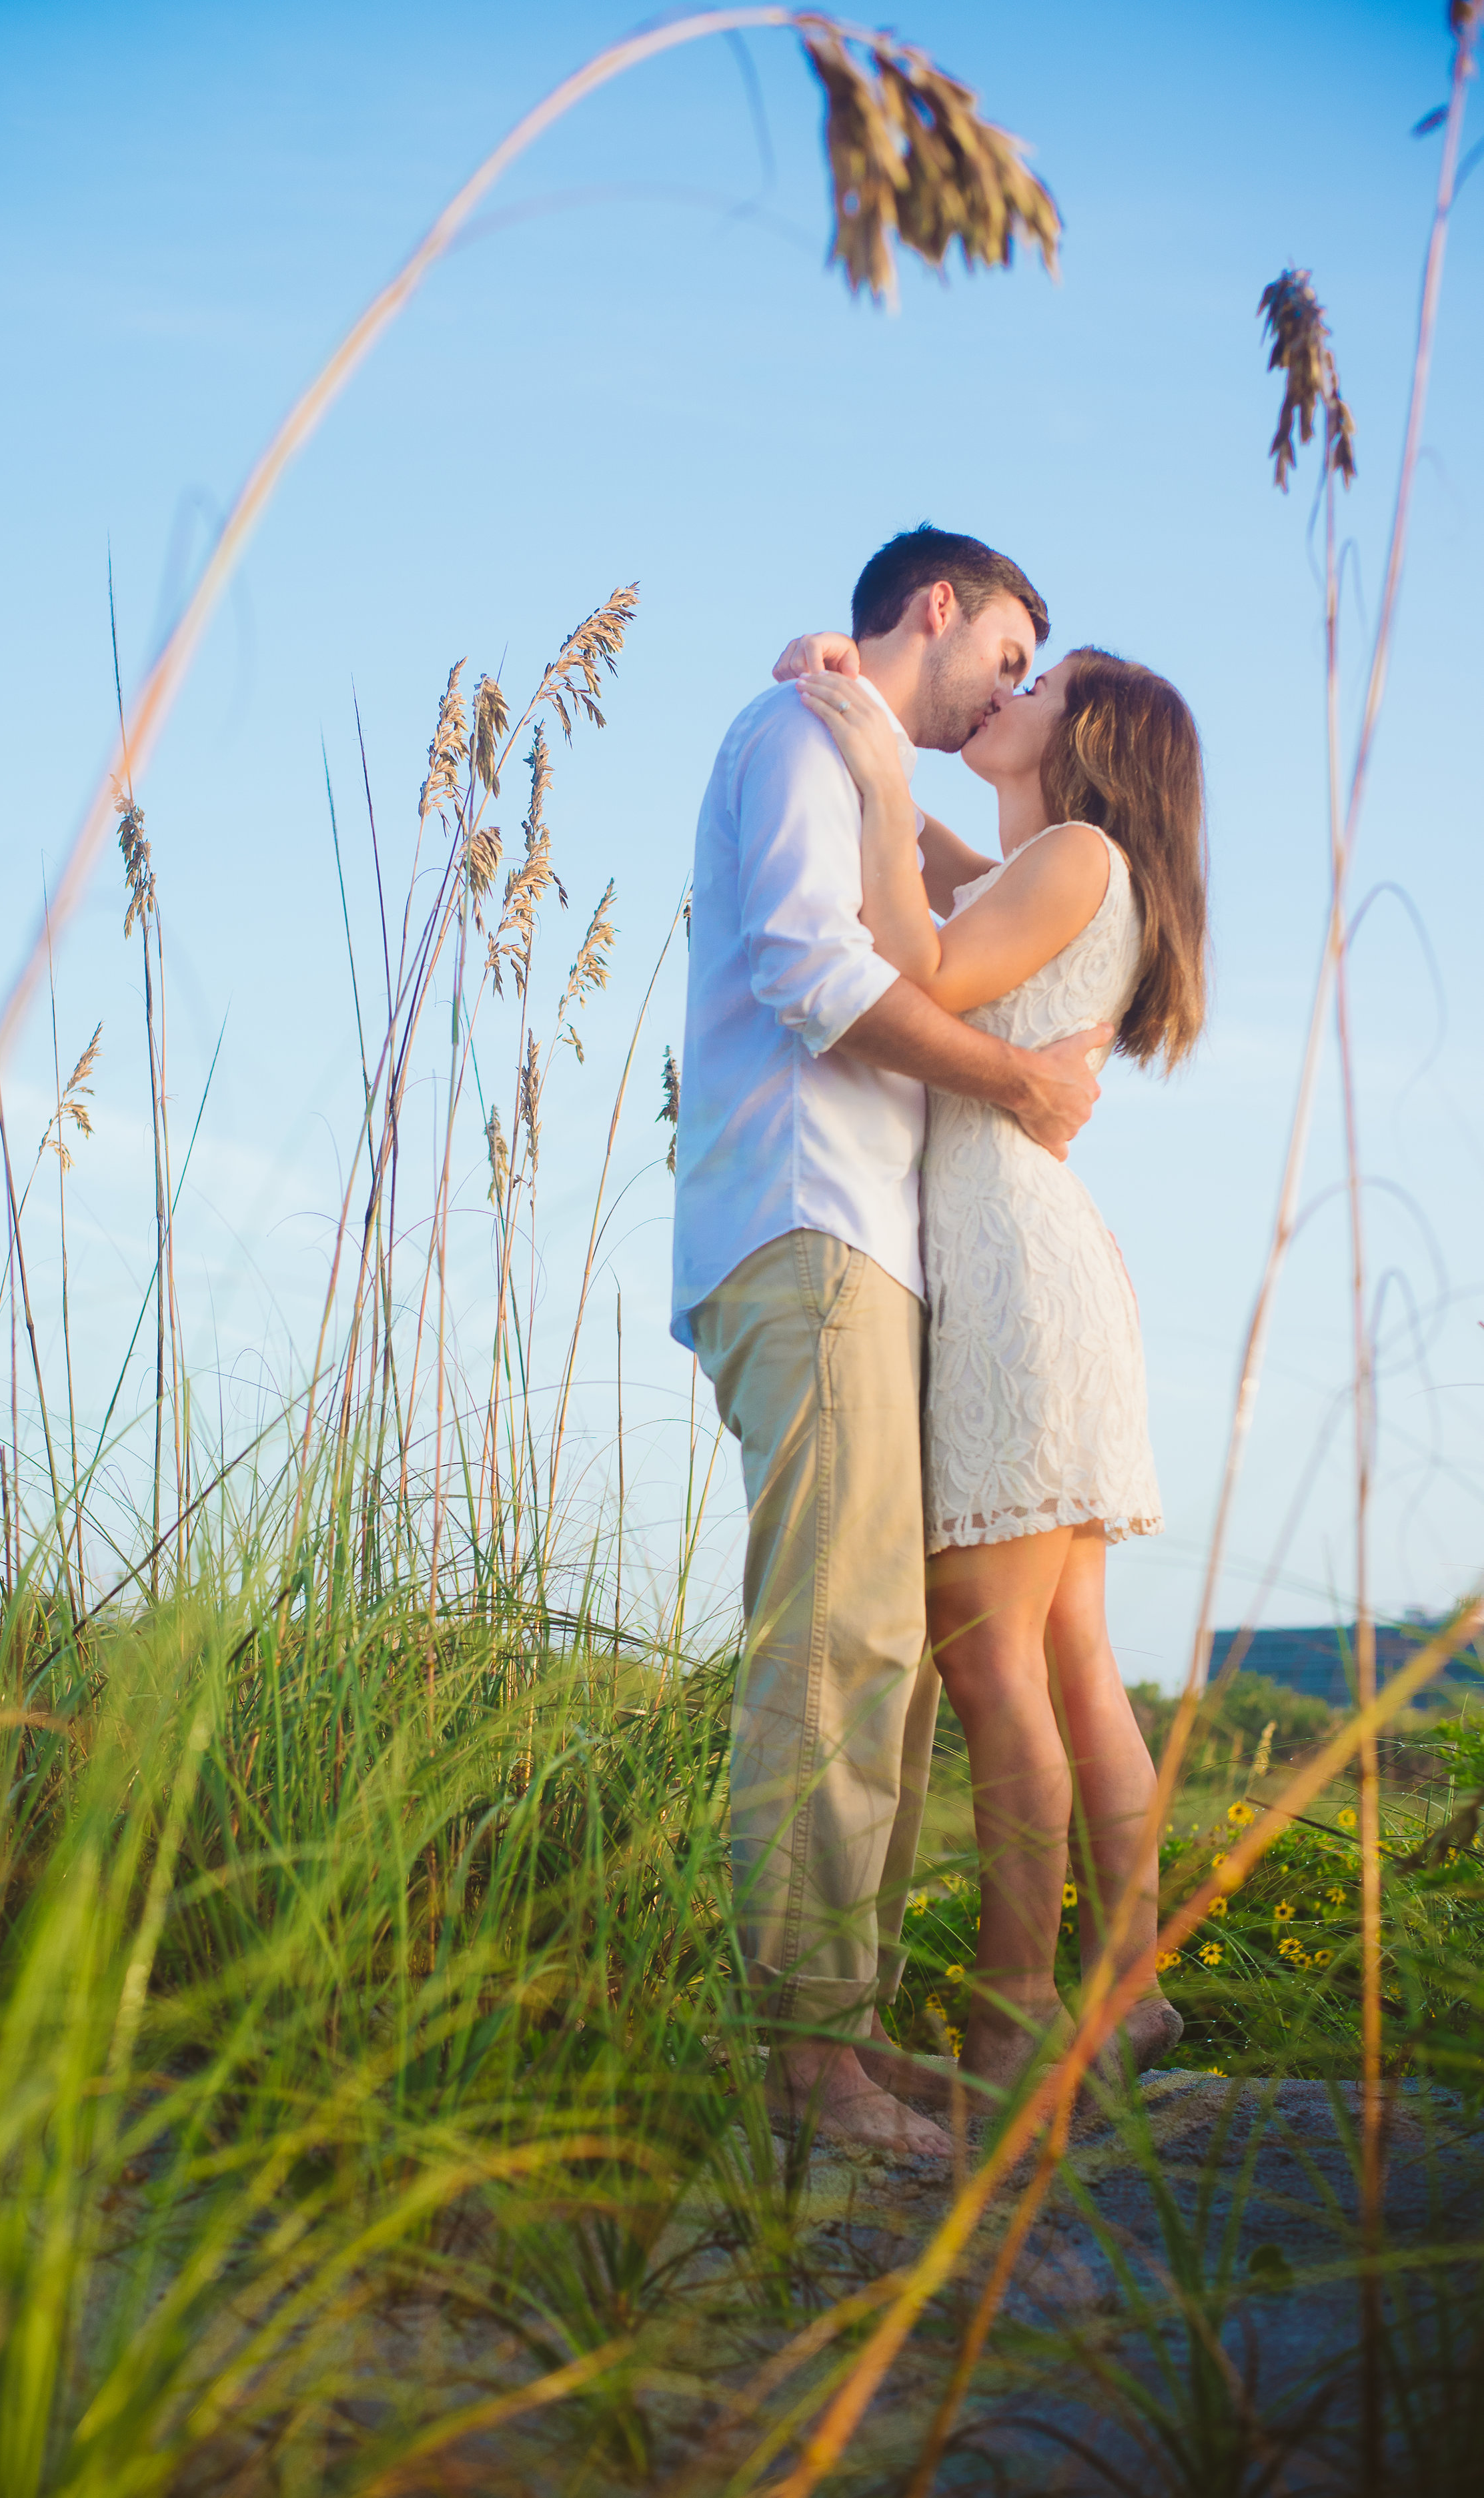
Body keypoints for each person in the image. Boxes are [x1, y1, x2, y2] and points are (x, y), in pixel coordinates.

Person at [671, 526, 1109, 2156]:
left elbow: (954, 903)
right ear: (939, 604)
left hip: (858, 1246)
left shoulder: (839, 742)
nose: (1011, 682)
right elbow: (805, 966)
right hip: (807, 1226)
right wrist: (1011, 1084)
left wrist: (888, 772)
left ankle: (834, 2040)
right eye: (1007, 651)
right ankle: (803, 2074)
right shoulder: (792, 730)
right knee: (834, 1641)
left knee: (881, 1658)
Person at [783, 626, 1207, 2100]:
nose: (1008, 696)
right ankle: (1128, 1991)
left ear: (1086, 738)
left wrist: (864, 760)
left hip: (1017, 1272)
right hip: (1044, 1262)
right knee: (1072, 1656)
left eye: (1039, 686)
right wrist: (875, 749)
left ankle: (1017, 2010)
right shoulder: (1064, 864)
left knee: (989, 1652)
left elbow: (918, 957)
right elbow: (946, 872)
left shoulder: (1075, 855)